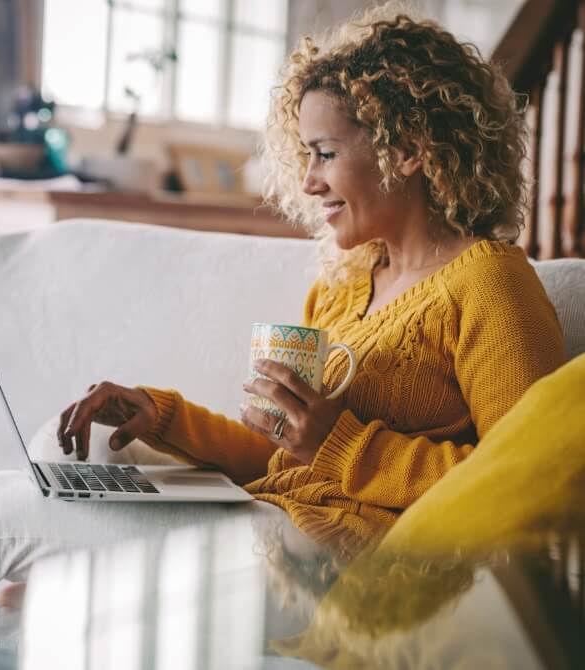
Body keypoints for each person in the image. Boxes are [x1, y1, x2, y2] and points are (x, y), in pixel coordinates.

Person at [57, 3, 565, 559]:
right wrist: (160, 417)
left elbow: (524, 484)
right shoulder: (342, 287)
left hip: (365, 567)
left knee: (63, 566)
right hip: (275, 523)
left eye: (325, 154)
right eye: (305, 156)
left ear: (409, 151)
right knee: (62, 467)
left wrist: (337, 444)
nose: (309, 181)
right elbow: (279, 454)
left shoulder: (490, 284)